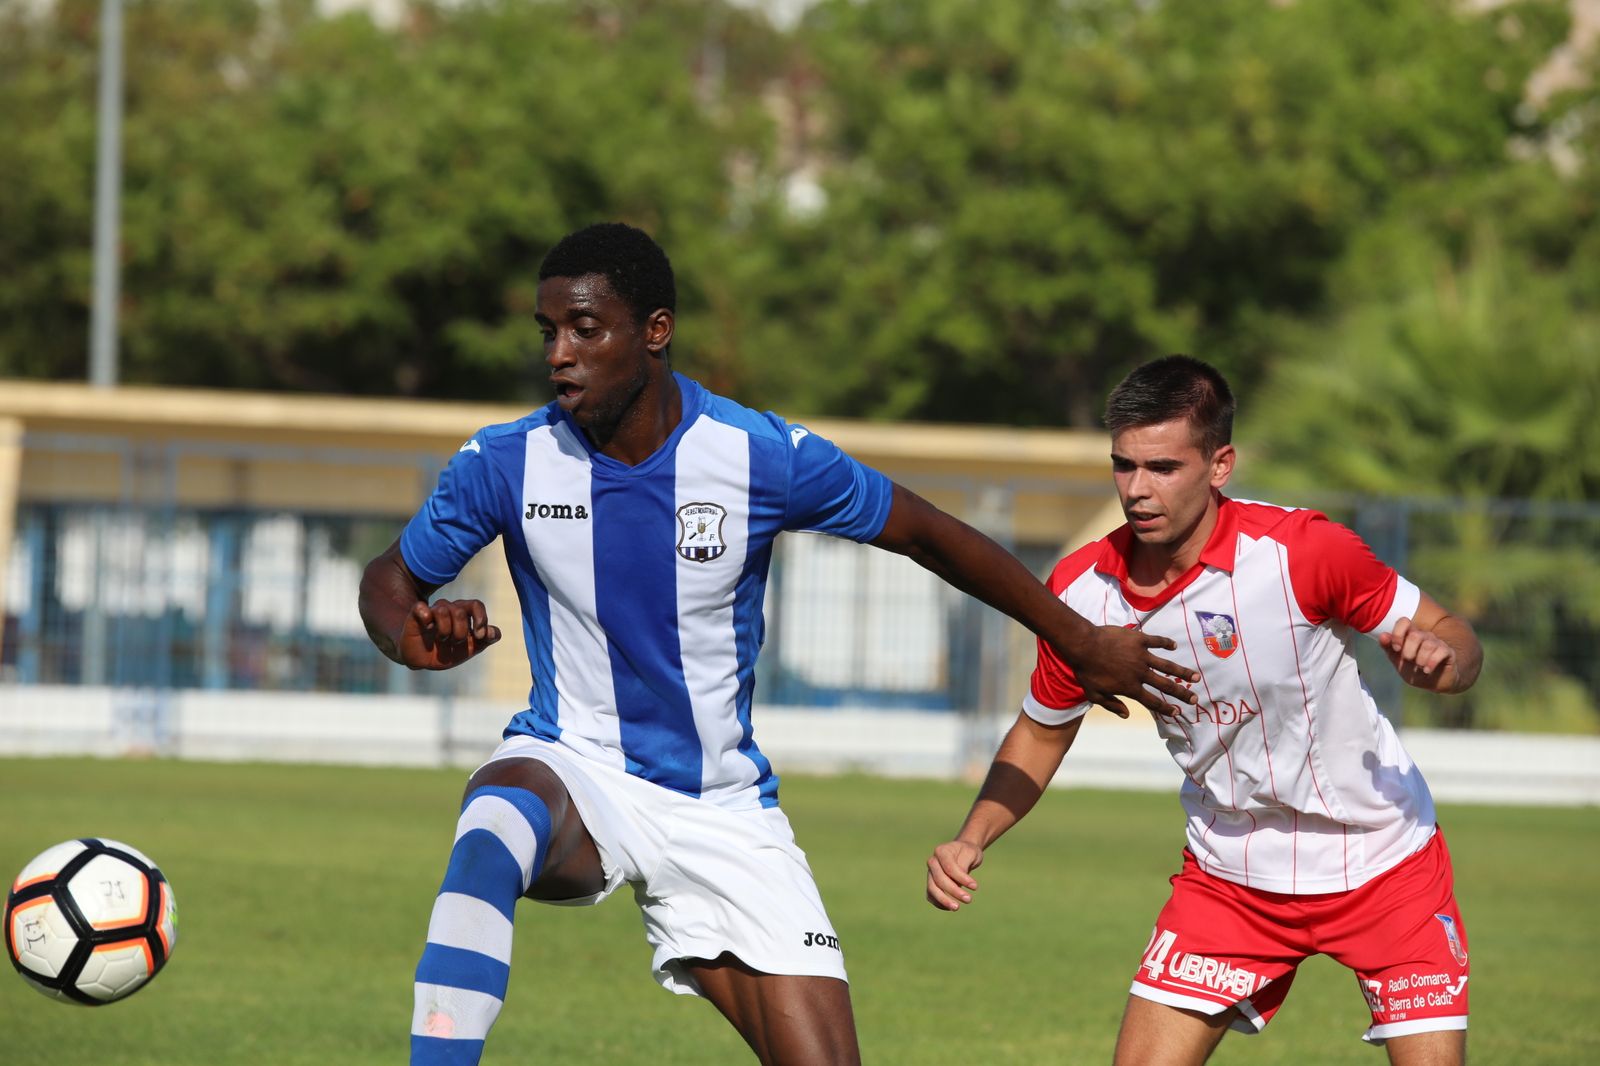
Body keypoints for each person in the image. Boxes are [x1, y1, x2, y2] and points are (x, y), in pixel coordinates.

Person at [358, 222, 1199, 1065]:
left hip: (724, 811)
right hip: (577, 766)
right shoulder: (507, 461)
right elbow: (390, 584)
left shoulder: (759, 454)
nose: (560, 356)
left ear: (655, 332)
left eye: (586, 329)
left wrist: (1079, 639)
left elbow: (929, 534)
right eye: (549, 333)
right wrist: (410, 638)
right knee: (496, 817)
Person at [925, 355, 1483, 1066]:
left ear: (1220, 465)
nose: (1136, 489)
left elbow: (1455, 637)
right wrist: (972, 837)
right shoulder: (1083, 591)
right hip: (1231, 877)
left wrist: (1442, 664)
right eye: (1122, 466)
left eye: (1162, 467)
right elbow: (1041, 729)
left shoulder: (1302, 552)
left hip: (1384, 864)